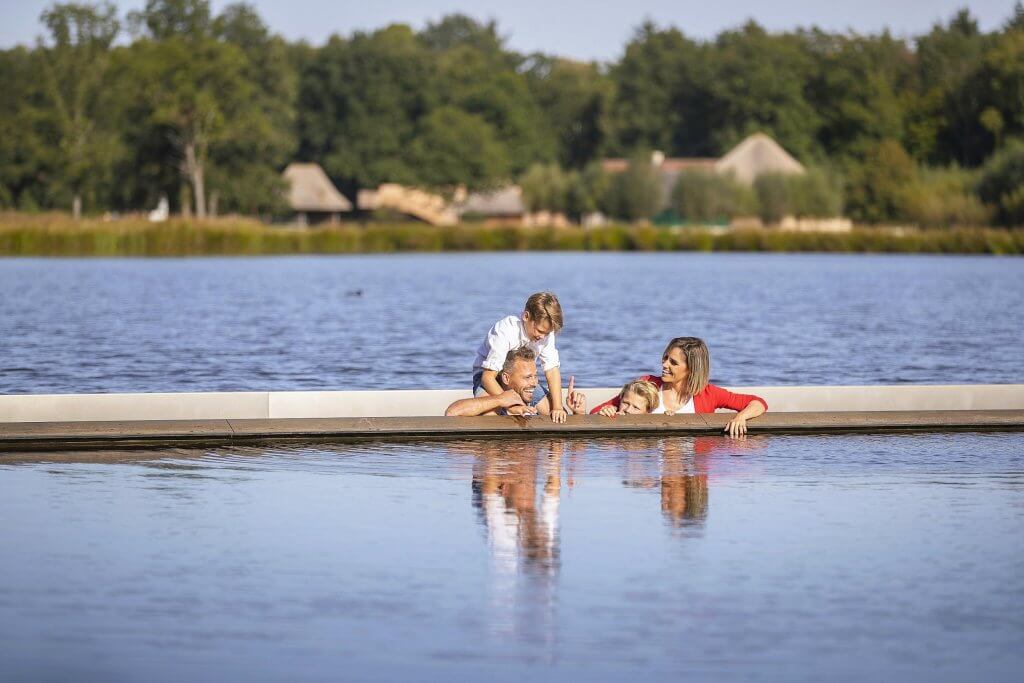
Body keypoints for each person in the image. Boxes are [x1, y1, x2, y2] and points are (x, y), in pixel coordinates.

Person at [590, 337, 767, 437]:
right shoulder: (648, 383)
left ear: (691, 370)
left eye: (673, 362)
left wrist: (741, 418)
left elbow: (757, 402)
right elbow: (598, 411)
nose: (664, 364)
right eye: (665, 358)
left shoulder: (707, 393)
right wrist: (608, 412)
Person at [473, 292, 566, 423]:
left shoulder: (546, 334)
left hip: (522, 380)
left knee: (555, 415)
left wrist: (557, 407)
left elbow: (552, 370)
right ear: (526, 316)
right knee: (490, 417)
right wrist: (514, 406)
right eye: (539, 331)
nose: (542, 337)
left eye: (547, 333)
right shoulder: (505, 330)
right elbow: (487, 378)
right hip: (491, 377)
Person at [447, 347, 543, 417]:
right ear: (506, 378)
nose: (534, 383)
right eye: (528, 377)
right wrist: (500, 400)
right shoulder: (493, 406)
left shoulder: (539, 403)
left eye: (535, 376)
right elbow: (452, 413)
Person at [566, 378, 659, 416]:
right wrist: (579, 413)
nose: (628, 410)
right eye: (626, 403)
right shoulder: (608, 414)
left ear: (648, 412)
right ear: (620, 399)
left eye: (636, 407)